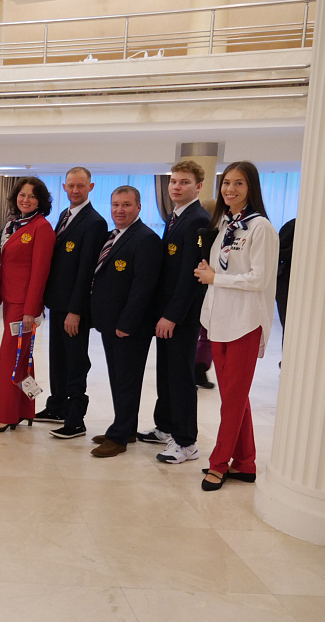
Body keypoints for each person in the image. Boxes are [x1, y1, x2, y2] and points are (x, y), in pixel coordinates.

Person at [195, 161, 278, 491]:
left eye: (238, 183)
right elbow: (218, 273)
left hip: (245, 322)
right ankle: (245, 463)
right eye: (226, 183)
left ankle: (219, 464)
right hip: (219, 320)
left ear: (251, 187)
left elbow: (259, 279)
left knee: (231, 399)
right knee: (236, 397)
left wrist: (216, 278)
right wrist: (210, 274)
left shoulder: (261, 228)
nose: (230, 189)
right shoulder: (225, 225)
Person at [140, 161, 212, 464]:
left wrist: (172, 315)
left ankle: (186, 441)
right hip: (167, 312)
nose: (176, 187)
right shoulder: (176, 217)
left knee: (180, 377)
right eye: (173, 182)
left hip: (180, 317)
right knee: (166, 373)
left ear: (198, 187)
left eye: (184, 182)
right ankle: (166, 426)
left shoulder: (197, 220)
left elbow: (189, 277)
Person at [88, 186, 163, 458]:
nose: (119, 210)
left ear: (138, 207)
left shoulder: (146, 239)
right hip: (111, 322)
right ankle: (126, 427)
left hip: (130, 327)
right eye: (115, 204)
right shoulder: (114, 236)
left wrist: (127, 323)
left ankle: (119, 437)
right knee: (118, 378)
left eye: (126, 205)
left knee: (127, 381)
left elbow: (143, 287)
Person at [36, 166, 109, 439]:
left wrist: (75, 310)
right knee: (58, 358)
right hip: (58, 303)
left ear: (91, 187)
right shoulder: (65, 216)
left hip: (73, 308)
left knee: (75, 362)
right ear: (64, 187)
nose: (75, 190)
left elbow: (87, 271)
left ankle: (76, 418)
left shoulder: (94, 222)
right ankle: (57, 406)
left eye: (80, 186)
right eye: (71, 186)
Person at [0, 177, 54, 432]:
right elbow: (3, 264)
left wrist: (30, 310)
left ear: (41, 201)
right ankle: (25, 410)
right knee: (22, 357)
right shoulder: (13, 224)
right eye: (22, 195)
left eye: (32, 196)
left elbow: (40, 272)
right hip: (9, 298)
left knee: (9, 358)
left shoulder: (41, 227)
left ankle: (6, 416)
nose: (26, 200)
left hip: (24, 304)